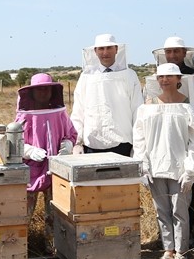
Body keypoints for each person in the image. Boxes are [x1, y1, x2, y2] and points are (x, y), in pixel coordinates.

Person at [134, 63, 194, 259]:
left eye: (169, 77)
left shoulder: (187, 107)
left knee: (179, 212)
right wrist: (143, 165)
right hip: (155, 167)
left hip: (179, 168)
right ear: (156, 80)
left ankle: (182, 255)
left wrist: (191, 169)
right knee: (162, 212)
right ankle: (168, 252)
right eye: (161, 77)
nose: (165, 80)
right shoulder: (147, 107)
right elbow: (139, 138)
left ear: (178, 79)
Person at [152, 36, 194, 244]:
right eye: (168, 52)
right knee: (162, 198)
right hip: (163, 140)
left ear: (184, 54)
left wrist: (193, 127)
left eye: (176, 52)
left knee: (186, 190)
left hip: (188, 140)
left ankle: (187, 240)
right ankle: (167, 242)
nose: (172, 55)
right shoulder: (158, 78)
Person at [70, 33, 143, 156]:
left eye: (109, 48)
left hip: (123, 143)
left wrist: (138, 145)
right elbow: (79, 110)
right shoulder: (86, 77)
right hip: (92, 144)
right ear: (95, 51)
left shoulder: (129, 75)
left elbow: (137, 110)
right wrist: (77, 142)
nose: (105, 52)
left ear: (116, 49)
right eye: (101, 49)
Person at [15, 73, 77, 216]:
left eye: (46, 89)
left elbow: (72, 133)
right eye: (39, 89)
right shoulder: (25, 115)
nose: (43, 93)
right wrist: (28, 150)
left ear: (52, 91)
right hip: (31, 169)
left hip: (57, 168)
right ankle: (23, 239)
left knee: (56, 214)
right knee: (24, 213)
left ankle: (52, 239)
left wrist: (67, 144)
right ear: (32, 92)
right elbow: (14, 142)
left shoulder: (60, 113)